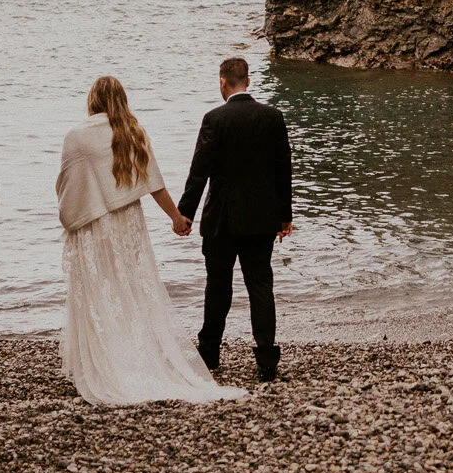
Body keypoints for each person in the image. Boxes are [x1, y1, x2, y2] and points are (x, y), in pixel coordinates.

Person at [56, 74, 244, 407]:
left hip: (95, 225)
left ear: (93, 100)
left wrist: (76, 213)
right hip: (128, 225)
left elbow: (67, 187)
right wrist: (176, 216)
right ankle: (133, 353)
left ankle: (103, 361)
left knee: (100, 290)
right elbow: (154, 183)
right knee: (130, 290)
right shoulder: (132, 133)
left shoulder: (77, 137)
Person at [174, 56, 294, 383]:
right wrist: (285, 217)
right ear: (249, 82)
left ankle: (210, 353)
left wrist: (185, 214)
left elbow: (199, 172)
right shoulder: (272, 117)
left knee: (218, 286)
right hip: (261, 221)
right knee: (260, 286)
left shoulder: (214, 119)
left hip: (221, 222)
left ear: (223, 83)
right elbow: (284, 171)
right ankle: (266, 359)